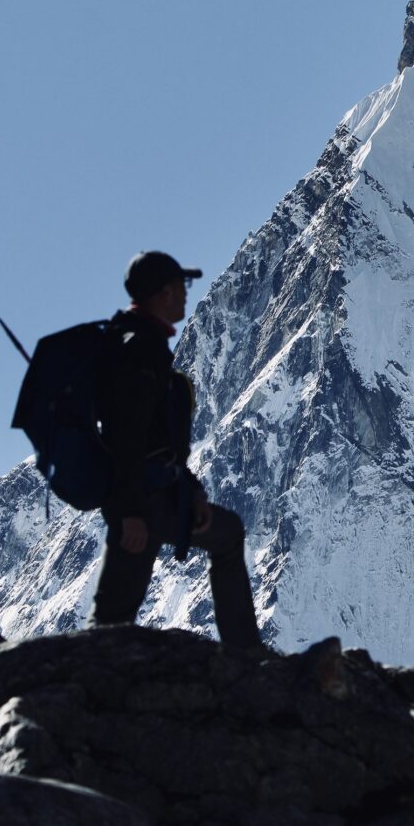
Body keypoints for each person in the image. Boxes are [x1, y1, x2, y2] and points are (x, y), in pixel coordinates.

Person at [90, 249, 262, 647]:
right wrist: (130, 513)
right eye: (180, 286)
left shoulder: (136, 343)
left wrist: (192, 490)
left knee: (113, 618)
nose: (186, 294)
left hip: (151, 496)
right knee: (111, 623)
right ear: (163, 293)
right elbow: (127, 438)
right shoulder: (140, 351)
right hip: (142, 502)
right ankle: (246, 654)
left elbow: (155, 440)